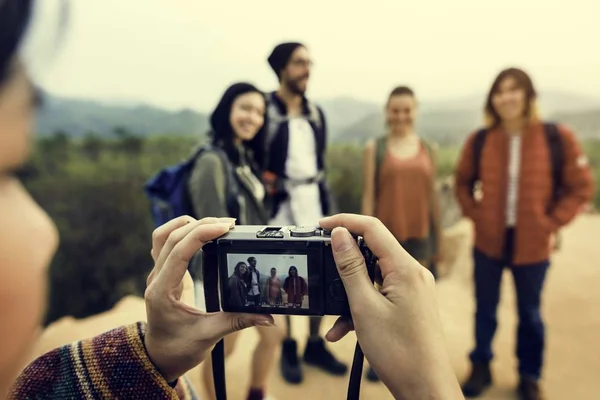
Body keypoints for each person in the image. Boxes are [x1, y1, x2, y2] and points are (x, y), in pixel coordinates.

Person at [0, 2, 460, 399]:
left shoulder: (295, 126)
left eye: (258, 113)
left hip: (289, 221)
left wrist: (154, 357)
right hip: (237, 263)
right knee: (247, 335)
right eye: (10, 174)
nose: (255, 118)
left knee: (289, 309)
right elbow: (212, 214)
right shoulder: (219, 158)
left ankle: (281, 368)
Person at [454, 67, 594, 400]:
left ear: (528, 96)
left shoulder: (555, 137)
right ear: (493, 100)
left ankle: (529, 376)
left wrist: (551, 222)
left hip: (533, 245)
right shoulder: (481, 139)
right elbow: (461, 183)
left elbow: (580, 187)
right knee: (485, 309)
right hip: (488, 242)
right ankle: (481, 365)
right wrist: (477, 215)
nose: (507, 97)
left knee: (530, 314)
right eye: (500, 91)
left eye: (514, 90)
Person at [185, 82, 284, 400]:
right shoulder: (212, 161)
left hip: (250, 267)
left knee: (274, 334)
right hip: (223, 274)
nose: (252, 117)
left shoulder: (243, 158)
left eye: (259, 112)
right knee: (222, 348)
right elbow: (211, 229)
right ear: (227, 109)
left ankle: (256, 393)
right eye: (245, 108)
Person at [261, 41, 347, 384]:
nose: (306, 69)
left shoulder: (315, 113)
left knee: (316, 273)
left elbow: (319, 159)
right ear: (282, 67)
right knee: (281, 276)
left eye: (309, 63)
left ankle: (314, 343)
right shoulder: (265, 110)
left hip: (313, 200)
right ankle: (288, 345)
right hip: (278, 206)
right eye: (299, 63)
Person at [360, 85, 443, 382]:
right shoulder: (375, 148)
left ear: (415, 111)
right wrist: (363, 237)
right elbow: (369, 196)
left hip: (420, 234)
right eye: (395, 110)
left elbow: (433, 196)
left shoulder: (428, 148)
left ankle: (419, 356)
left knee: (419, 303)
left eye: (406, 110)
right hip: (386, 238)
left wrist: (440, 240)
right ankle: (381, 361)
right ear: (387, 112)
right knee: (383, 303)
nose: (401, 116)